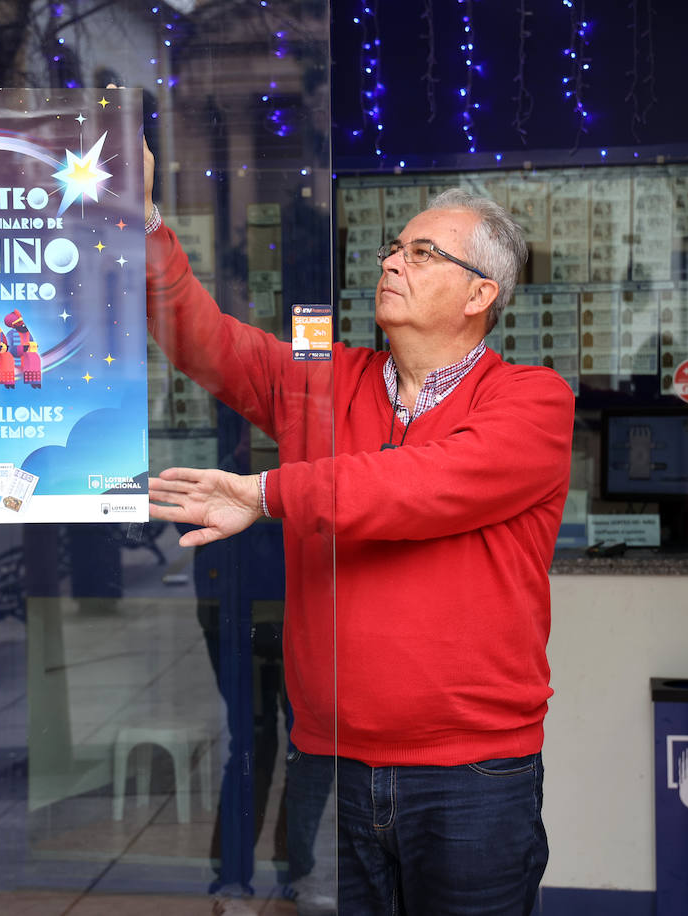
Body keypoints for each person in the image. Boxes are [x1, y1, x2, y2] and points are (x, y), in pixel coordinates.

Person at [141, 141, 574, 914]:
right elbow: (202, 341)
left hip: (473, 775)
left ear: (481, 294)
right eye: (392, 249)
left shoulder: (532, 402)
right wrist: (141, 225)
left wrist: (268, 492)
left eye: (421, 253)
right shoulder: (319, 383)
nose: (391, 263)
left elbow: (420, 487)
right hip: (333, 766)